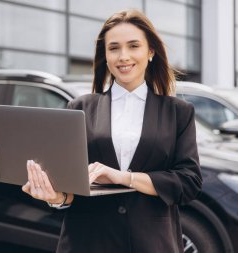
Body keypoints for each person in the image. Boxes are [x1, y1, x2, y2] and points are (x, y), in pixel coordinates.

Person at [22, 9, 202, 253]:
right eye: (114, 48)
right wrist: (57, 197)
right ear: (105, 56)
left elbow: (188, 182)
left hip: (152, 244)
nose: (123, 56)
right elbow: (72, 183)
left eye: (133, 46)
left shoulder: (178, 112)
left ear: (150, 52)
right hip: (87, 241)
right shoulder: (80, 108)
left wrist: (124, 177)